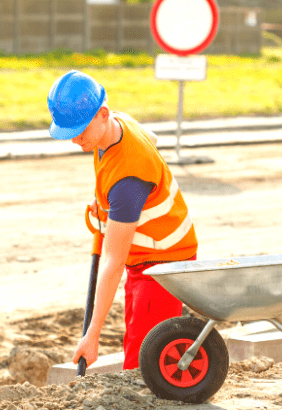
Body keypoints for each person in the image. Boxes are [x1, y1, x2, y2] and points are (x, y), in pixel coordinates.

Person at [46, 70, 198, 370]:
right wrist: (106, 202)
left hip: (163, 265)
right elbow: (151, 139)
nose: (75, 139)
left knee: (144, 360)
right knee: (138, 338)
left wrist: (92, 335)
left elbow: (113, 263)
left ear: (102, 114)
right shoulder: (118, 122)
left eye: (79, 130)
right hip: (147, 258)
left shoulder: (128, 181)